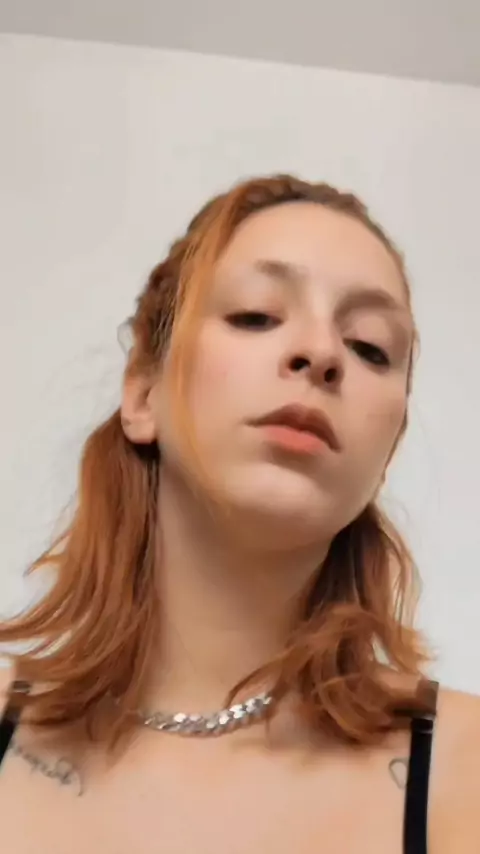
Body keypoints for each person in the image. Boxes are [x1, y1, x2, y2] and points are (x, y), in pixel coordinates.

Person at [0, 174, 478, 854]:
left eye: (370, 346)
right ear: (143, 394)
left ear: (386, 452)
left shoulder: (465, 768)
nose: (322, 353)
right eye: (256, 315)